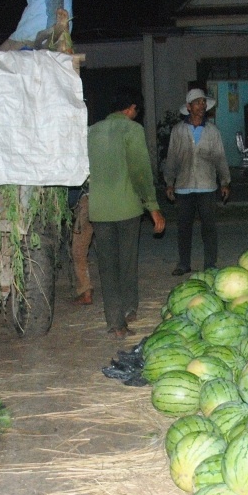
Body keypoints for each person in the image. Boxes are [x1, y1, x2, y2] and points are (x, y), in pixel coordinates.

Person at [87, 88, 165, 338]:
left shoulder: (92, 131)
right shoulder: (132, 130)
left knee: (107, 267)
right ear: (131, 108)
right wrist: (153, 208)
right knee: (127, 262)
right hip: (127, 207)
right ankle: (129, 309)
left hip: (99, 209)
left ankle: (115, 322)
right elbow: (141, 171)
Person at [163, 88, 231, 276]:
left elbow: (220, 158)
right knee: (184, 228)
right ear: (189, 107)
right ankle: (184, 263)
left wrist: (225, 181)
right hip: (184, 187)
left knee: (209, 227)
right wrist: (169, 182)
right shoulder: (178, 131)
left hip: (207, 185)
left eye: (203, 102)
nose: (202, 106)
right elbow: (172, 159)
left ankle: (210, 263)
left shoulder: (212, 131)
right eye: (198, 102)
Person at [68, 183, 94, 305]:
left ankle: (85, 292)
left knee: (79, 251)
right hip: (102, 202)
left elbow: (71, 199)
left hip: (86, 202)